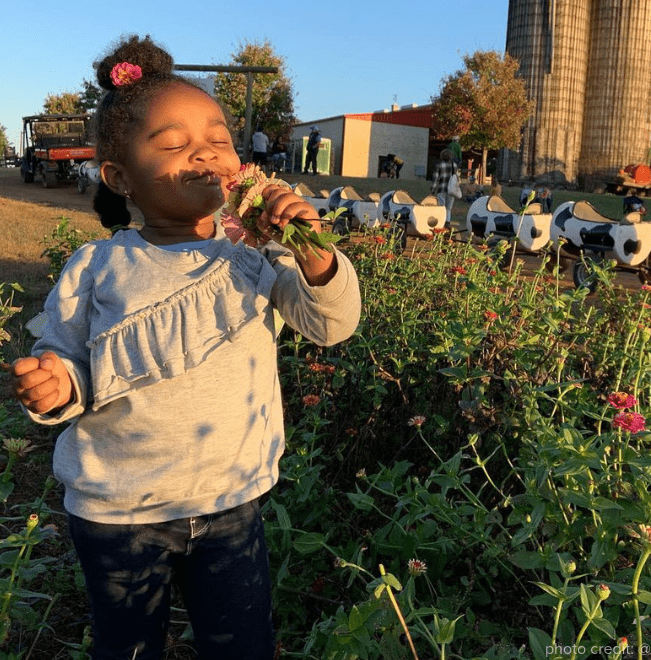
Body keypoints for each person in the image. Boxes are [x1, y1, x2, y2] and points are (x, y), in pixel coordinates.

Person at [9, 35, 361, 660]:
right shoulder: (97, 267)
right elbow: (73, 361)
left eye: (219, 139)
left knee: (242, 644)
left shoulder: (258, 258)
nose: (205, 153)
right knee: (128, 646)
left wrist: (312, 248)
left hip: (229, 502)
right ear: (120, 178)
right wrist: (58, 383)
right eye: (173, 145)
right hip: (118, 510)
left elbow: (330, 324)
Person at [431, 148, 458, 226]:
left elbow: (436, 179)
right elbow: (456, 178)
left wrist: (433, 189)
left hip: (442, 189)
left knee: (441, 206)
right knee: (448, 208)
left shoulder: (439, 165)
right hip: (452, 190)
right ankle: (448, 221)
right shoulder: (454, 165)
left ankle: (441, 221)